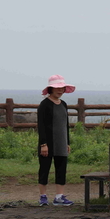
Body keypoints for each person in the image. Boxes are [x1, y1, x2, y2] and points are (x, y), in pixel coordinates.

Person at [37, 74, 76, 207]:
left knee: (61, 169)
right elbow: (41, 125)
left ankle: (59, 197)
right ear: (50, 89)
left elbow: (65, 125)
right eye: (57, 88)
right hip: (47, 143)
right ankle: (43, 196)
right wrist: (43, 144)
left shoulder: (64, 104)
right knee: (44, 168)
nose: (60, 90)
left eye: (62, 88)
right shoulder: (44, 104)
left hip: (61, 142)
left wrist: (67, 142)